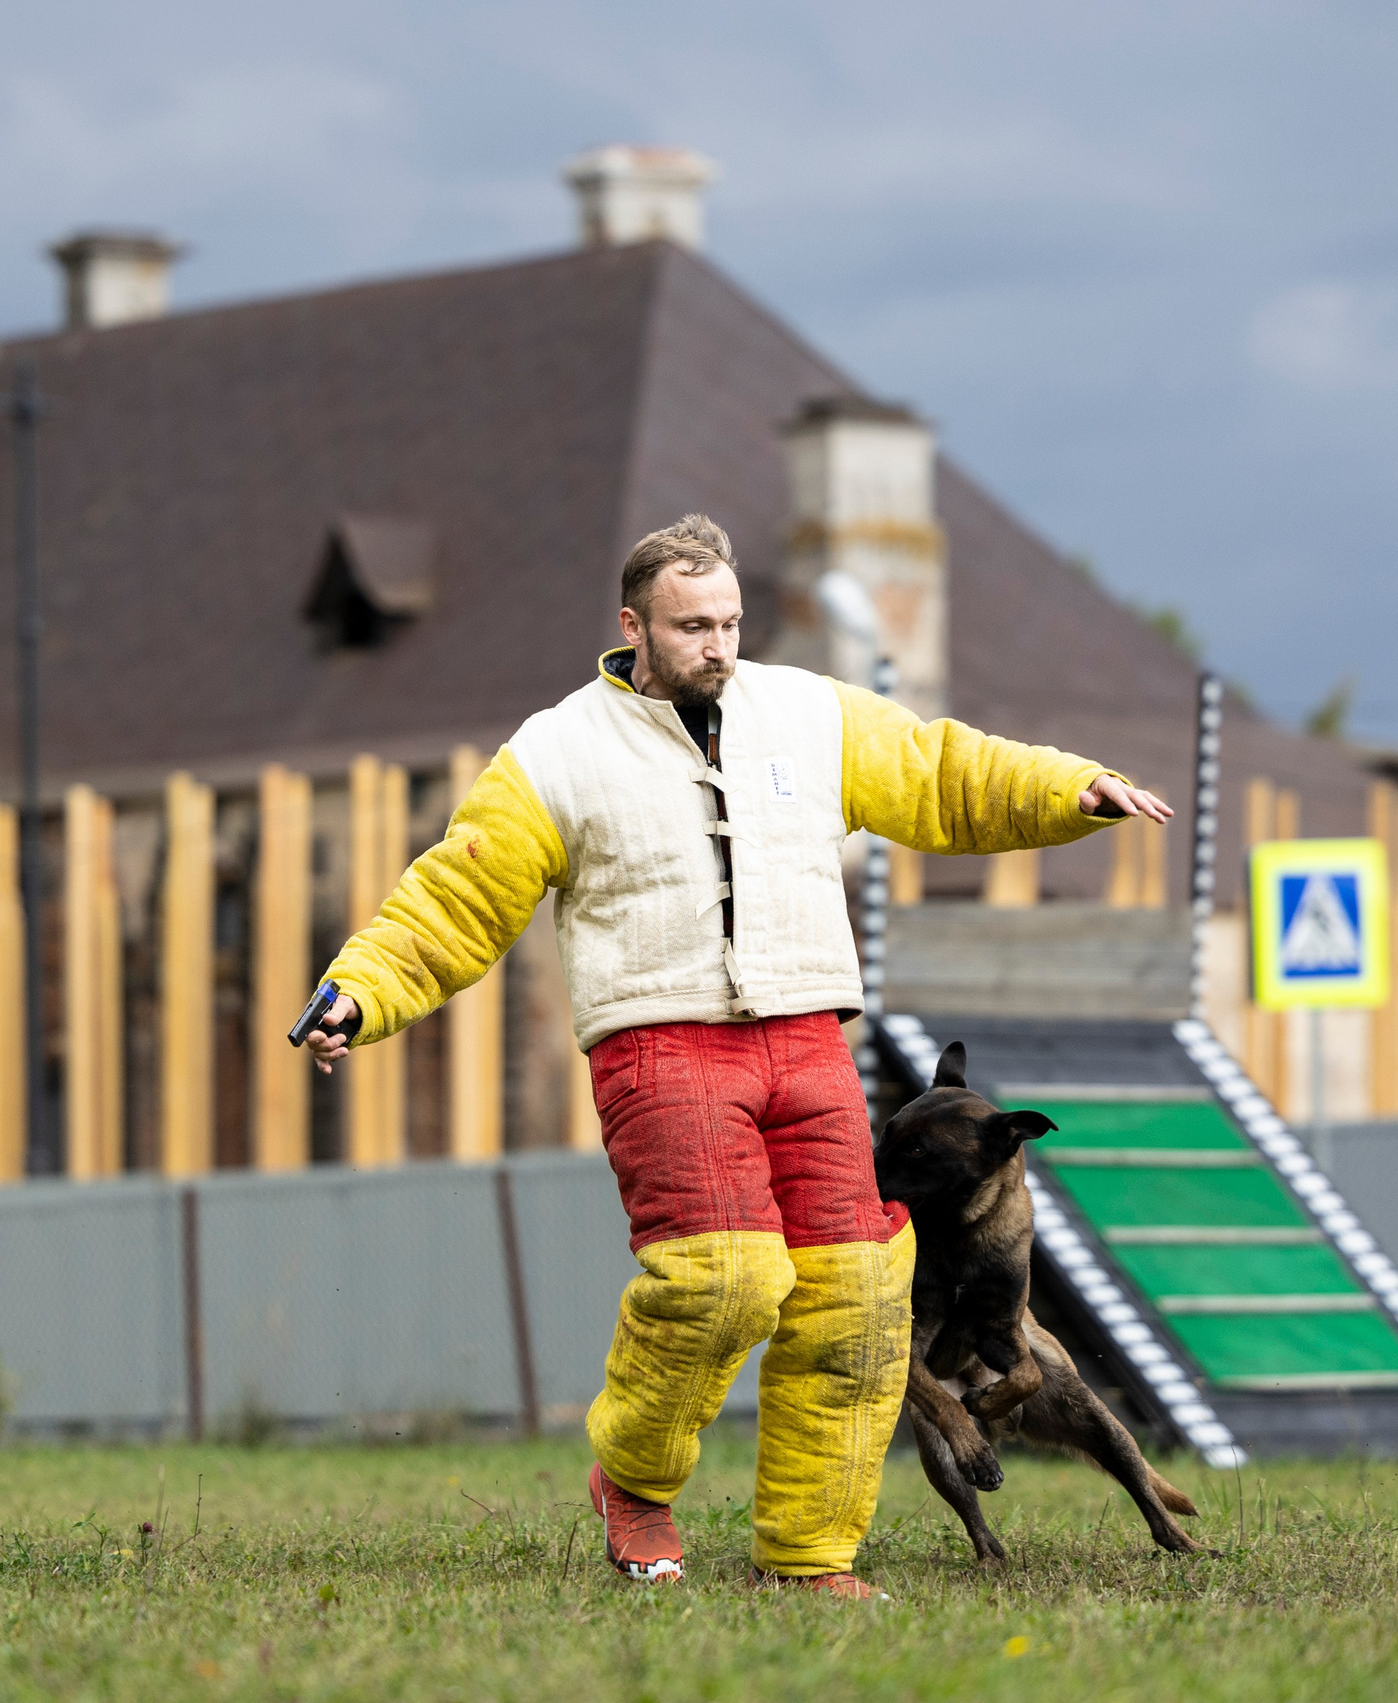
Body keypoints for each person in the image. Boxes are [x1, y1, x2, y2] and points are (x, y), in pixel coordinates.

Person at [305, 514, 1171, 1598]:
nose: (717, 644)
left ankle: (808, 1558)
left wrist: (1063, 788)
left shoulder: (806, 713)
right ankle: (634, 1477)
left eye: (728, 622)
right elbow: (459, 891)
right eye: (690, 626)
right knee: (725, 1279)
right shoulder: (557, 751)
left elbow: (939, 771)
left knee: (857, 1294)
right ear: (633, 626)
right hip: (659, 1045)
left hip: (807, 1039)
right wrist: (363, 990)